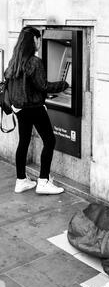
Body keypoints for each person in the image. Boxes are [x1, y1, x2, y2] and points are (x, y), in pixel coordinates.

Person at [4, 26, 68, 195]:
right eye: (39, 39)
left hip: (19, 109)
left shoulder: (15, 60)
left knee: (23, 142)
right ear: (34, 40)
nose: (40, 42)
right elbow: (44, 86)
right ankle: (43, 181)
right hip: (34, 108)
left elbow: (12, 80)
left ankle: (21, 181)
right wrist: (65, 84)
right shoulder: (35, 62)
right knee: (50, 141)